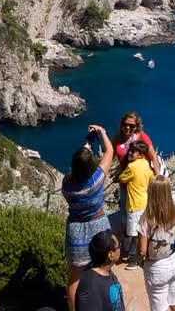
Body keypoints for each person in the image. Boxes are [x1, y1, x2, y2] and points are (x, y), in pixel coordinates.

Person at [64, 124, 114, 311]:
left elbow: (81, 164)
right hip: (98, 227)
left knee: (74, 277)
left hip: (76, 230)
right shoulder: (95, 181)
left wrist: (87, 143)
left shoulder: (67, 184)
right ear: (91, 165)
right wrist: (102, 133)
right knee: (103, 271)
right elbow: (110, 152)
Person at [140, 175, 175, 311]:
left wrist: (141, 262)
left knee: (160, 307)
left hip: (157, 267)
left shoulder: (146, 219)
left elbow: (141, 250)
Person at [118, 139, 155, 269]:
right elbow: (152, 177)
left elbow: (121, 178)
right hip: (144, 202)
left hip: (133, 204)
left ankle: (133, 260)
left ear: (140, 154)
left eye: (133, 151)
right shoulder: (146, 164)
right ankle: (145, 254)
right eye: (130, 150)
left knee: (133, 233)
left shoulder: (132, 167)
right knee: (144, 231)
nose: (130, 153)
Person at [74, 229, 125, 311]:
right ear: (111, 255)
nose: (120, 249)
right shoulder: (90, 285)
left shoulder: (108, 272)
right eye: (119, 246)